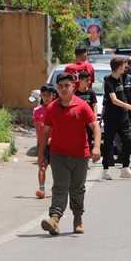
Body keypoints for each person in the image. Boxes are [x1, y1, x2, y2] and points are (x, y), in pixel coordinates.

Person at [39, 73, 100, 235]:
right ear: (57, 89)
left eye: (67, 86)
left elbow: (95, 126)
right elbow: (46, 132)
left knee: (77, 188)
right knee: (59, 187)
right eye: (61, 86)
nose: (64, 89)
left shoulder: (82, 106)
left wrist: (97, 147)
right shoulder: (52, 108)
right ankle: (54, 219)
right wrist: (42, 155)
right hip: (58, 154)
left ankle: (78, 217)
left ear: (74, 87)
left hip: (80, 155)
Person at [101, 57, 131, 180]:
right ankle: (105, 169)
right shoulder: (108, 81)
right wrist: (129, 106)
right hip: (111, 118)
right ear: (117, 67)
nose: (125, 67)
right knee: (108, 144)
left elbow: (125, 95)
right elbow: (114, 100)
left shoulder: (122, 78)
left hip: (123, 117)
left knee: (128, 141)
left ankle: (125, 168)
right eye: (123, 65)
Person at [33, 85, 57, 199]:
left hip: (56, 143)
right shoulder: (37, 111)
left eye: (49, 95)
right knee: (42, 166)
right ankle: (41, 189)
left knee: (57, 168)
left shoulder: (58, 109)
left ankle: (57, 189)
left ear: (53, 96)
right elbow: (38, 128)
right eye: (44, 95)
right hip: (42, 143)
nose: (46, 98)